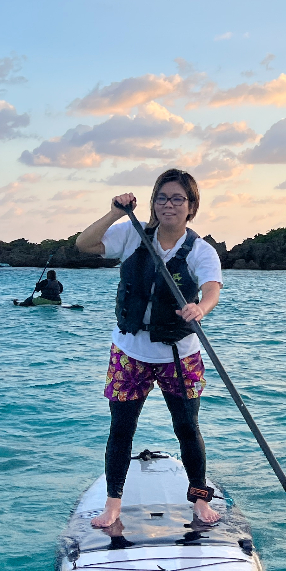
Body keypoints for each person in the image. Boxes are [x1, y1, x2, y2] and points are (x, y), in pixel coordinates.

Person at [75, 169, 223, 529]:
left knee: (188, 427)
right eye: (162, 198)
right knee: (121, 428)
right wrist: (114, 211)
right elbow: (84, 244)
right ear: (153, 203)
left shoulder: (200, 251)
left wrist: (200, 308)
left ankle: (199, 498)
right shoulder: (131, 232)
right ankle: (113, 504)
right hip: (130, 351)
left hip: (179, 353)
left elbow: (211, 289)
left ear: (191, 207)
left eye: (178, 199)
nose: (169, 205)